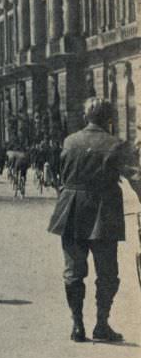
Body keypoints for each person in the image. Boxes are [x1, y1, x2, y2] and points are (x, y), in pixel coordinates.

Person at [48, 98, 141, 343]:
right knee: (107, 272)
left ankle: (77, 325)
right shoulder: (117, 145)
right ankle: (101, 324)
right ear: (109, 118)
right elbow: (136, 178)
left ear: (86, 117)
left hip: (71, 210)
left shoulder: (70, 141)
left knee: (73, 271)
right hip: (103, 212)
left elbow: (60, 174)